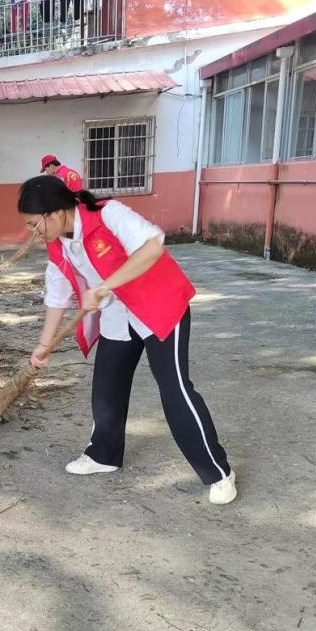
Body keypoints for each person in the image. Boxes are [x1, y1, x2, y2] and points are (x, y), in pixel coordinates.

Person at [18, 175, 237, 504]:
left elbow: (152, 246)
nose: (32, 232)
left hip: (159, 305)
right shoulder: (58, 244)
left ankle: (219, 473)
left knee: (174, 389)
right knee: (107, 386)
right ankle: (103, 455)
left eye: (34, 223)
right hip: (118, 314)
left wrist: (105, 286)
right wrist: (43, 345)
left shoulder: (108, 214)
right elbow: (57, 295)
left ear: (57, 213)